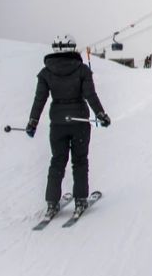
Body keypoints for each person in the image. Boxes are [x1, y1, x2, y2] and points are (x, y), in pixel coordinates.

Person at [26, 34, 111, 218]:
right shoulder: (82, 70)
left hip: (58, 123)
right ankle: (80, 199)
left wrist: (33, 122)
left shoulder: (46, 72)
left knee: (57, 160)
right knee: (79, 160)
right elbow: (90, 95)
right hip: (79, 121)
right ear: (72, 48)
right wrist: (101, 114)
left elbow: (39, 99)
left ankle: (52, 201)